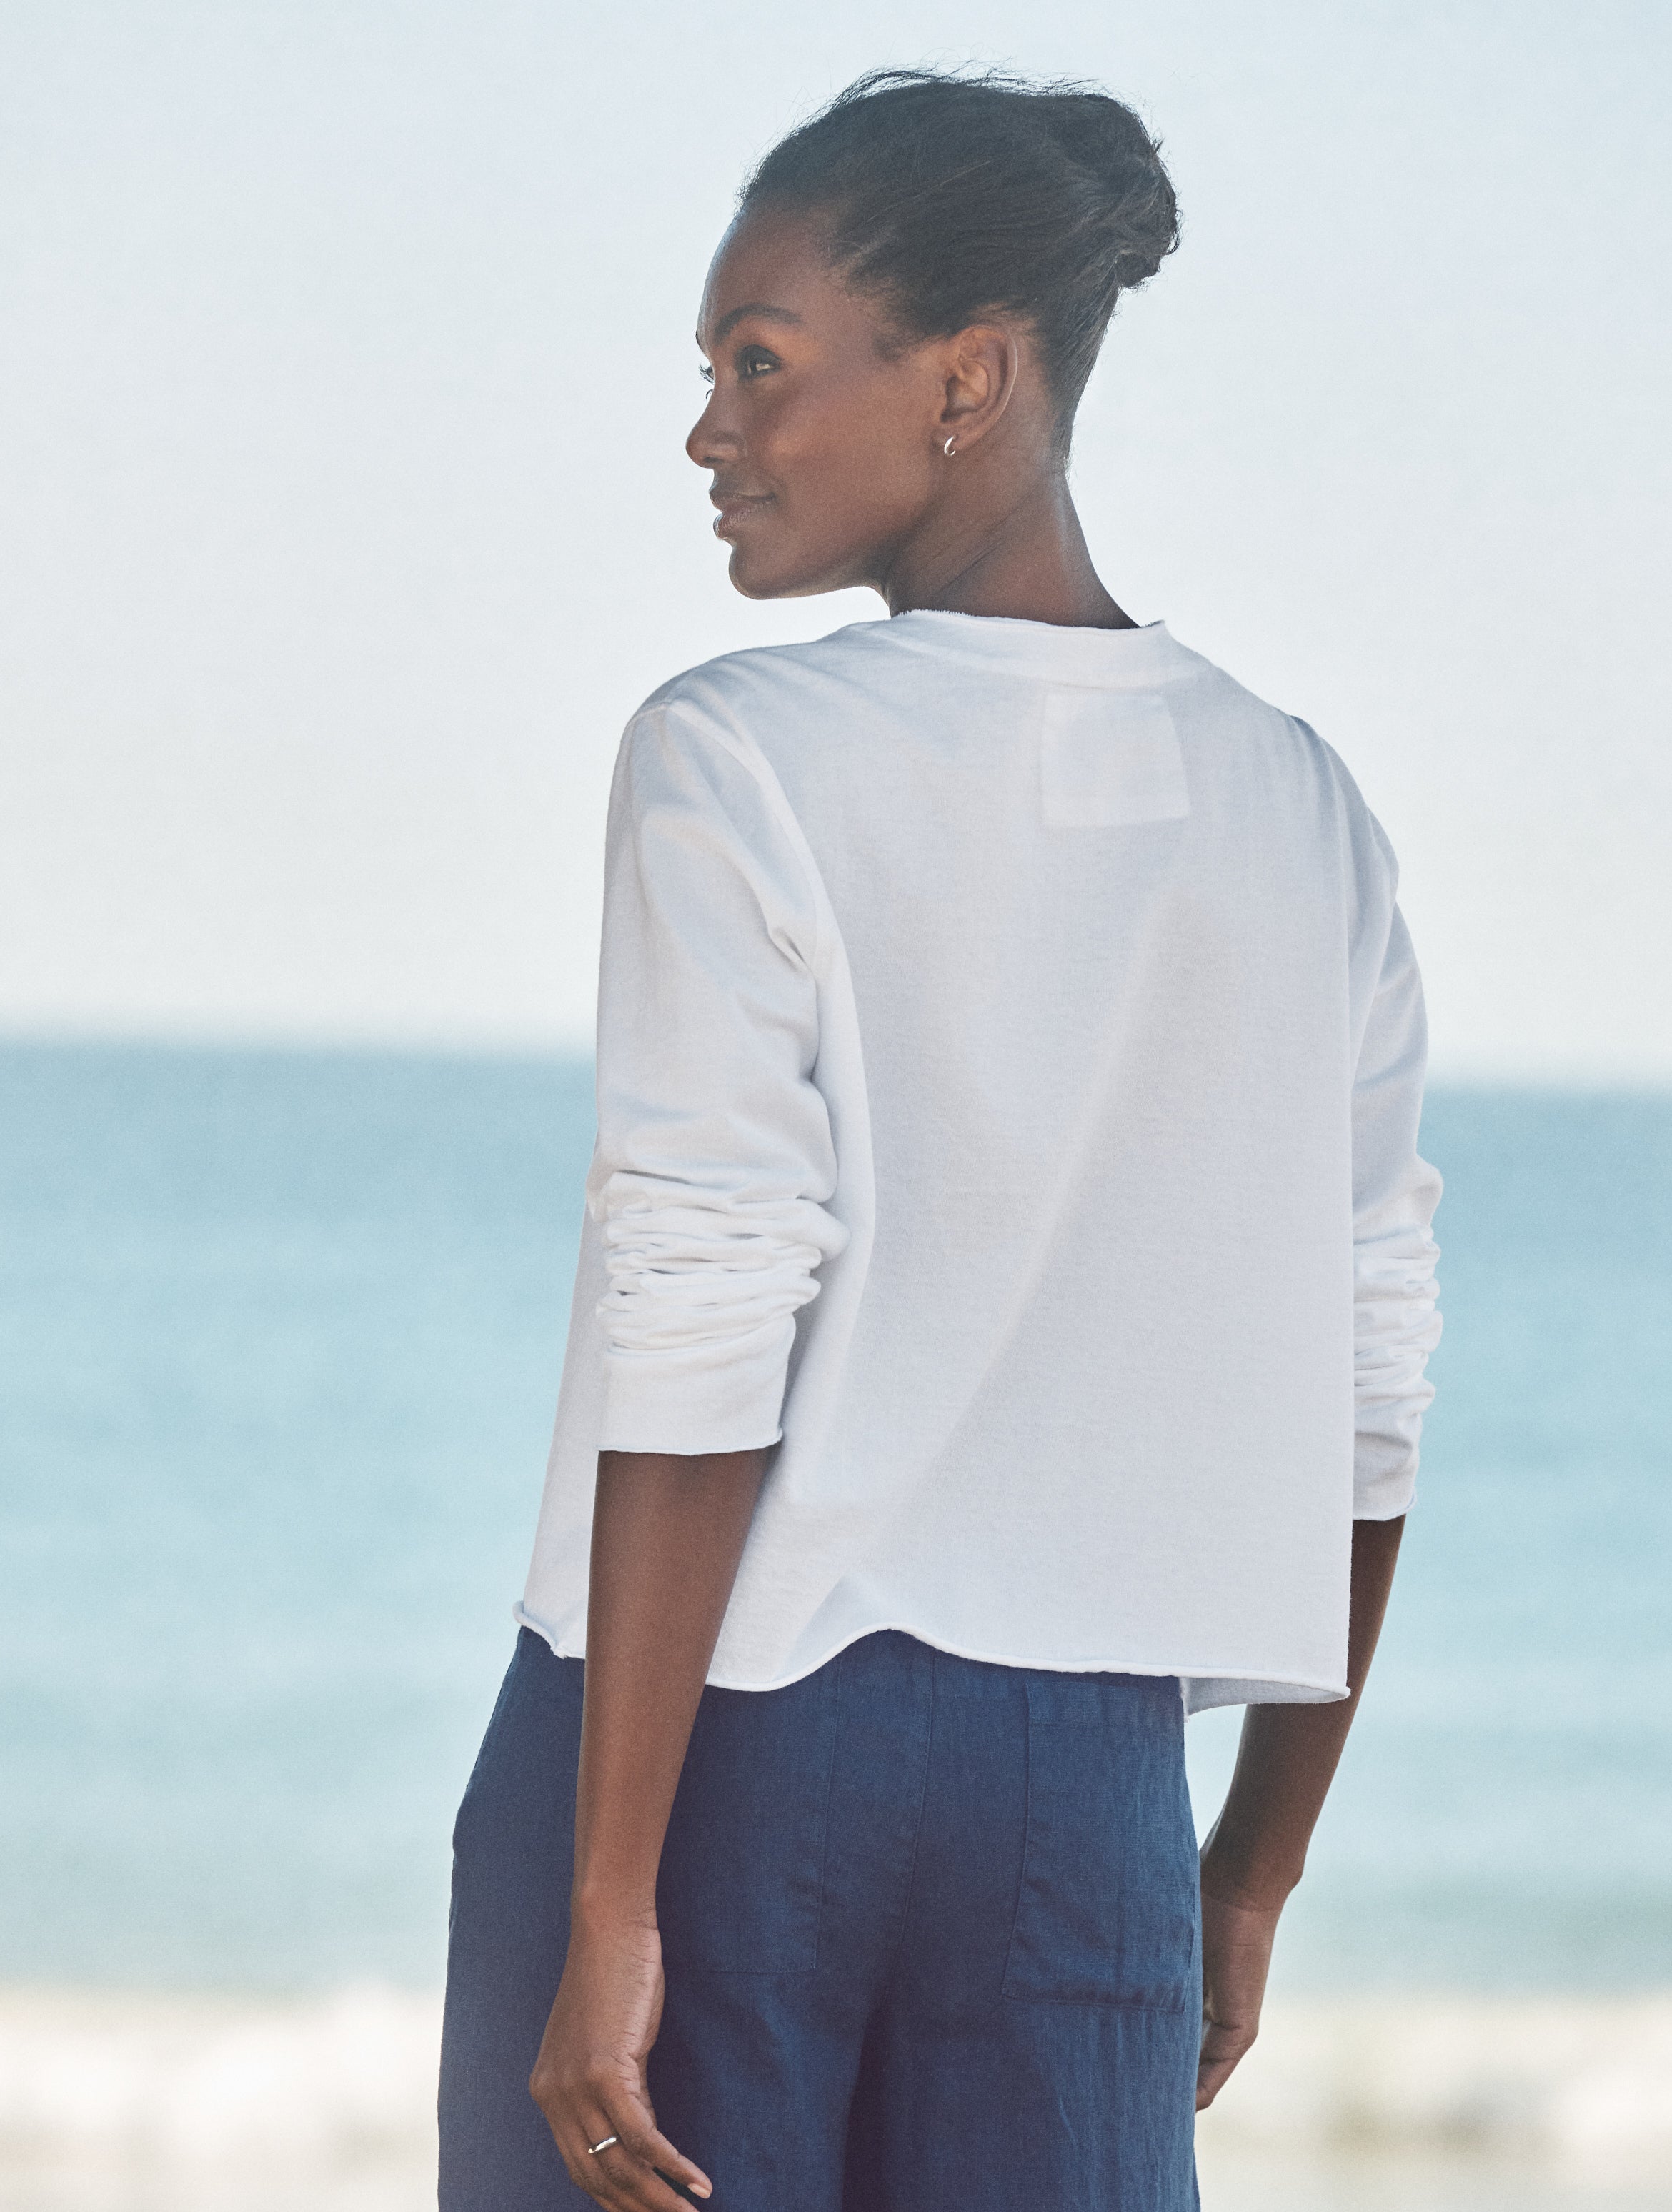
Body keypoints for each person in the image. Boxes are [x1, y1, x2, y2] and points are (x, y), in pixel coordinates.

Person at [437, 66, 1441, 2212]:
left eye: (760, 363)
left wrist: (610, 1901)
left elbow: (703, 1305)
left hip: (708, 1746)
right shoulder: (1304, 807)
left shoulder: (737, 753)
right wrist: (1252, 1867)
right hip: (1086, 1798)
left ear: (968, 378)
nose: (709, 431)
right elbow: (1371, 1374)